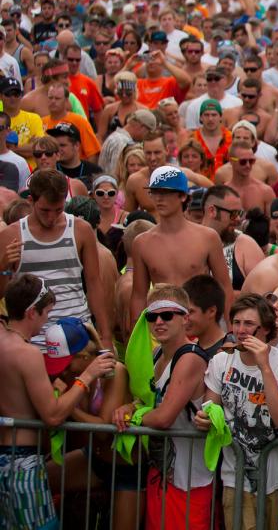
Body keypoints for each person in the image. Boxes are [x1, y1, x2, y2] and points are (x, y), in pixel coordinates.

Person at [0, 276, 115, 530]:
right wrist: (86, 376)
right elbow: (52, 416)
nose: (44, 324)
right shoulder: (27, 353)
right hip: (24, 464)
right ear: (31, 312)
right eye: (46, 314)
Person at [194, 294, 278, 530]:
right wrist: (205, 418)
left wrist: (263, 365)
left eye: (249, 324)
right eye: (237, 322)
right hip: (235, 476)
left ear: (265, 329)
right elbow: (211, 407)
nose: (241, 330)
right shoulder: (221, 360)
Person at [113, 285, 214, 530]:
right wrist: (129, 405)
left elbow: (163, 418)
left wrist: (134, 417)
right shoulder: (158, 353)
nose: (158, 321)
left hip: (190, 481)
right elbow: (150, 402)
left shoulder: (189, 357)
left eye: (167, 315)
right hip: (161, 474)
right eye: (152, 316)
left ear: (185, 318)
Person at [0, 168, 113, 348]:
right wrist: (4, 267)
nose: (51, 217)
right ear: (31, 201)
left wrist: (106, 336)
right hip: (33, 340)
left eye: (58, 210)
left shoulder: (81, 229)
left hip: (77, 334)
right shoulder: (11, 235)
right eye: (45, 210)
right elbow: (3, 296)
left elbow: (94, 284)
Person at [129, 166, 233, 322]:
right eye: (154, 192)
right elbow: (138, 296)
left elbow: (224, 287)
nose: (159, 198)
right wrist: (136, 340)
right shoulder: (142, 243)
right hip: (162, 326)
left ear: (183, 196)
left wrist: (230, 332)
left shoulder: (207, 237)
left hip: (200, 327)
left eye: (165, 192)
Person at [202, 185, 263, 291]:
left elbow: (262, 292)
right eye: (233, 214)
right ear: (212, 211)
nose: (239, 219)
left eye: (240, 213)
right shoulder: (189, 242)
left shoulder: (245, 244)